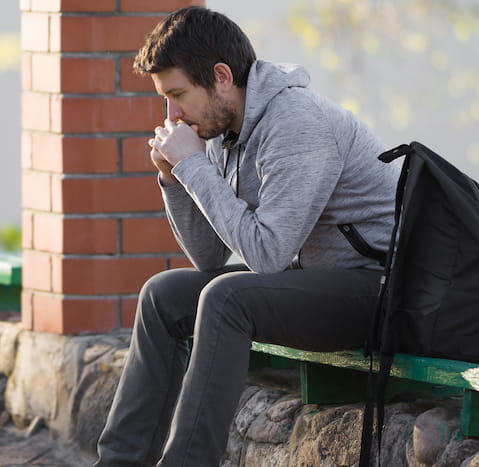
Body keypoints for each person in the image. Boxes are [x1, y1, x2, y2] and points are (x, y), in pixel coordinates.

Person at [94, 6, 403, 466]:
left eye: (178, 94)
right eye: (165, 99)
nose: (172, 114)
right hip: (310, 281)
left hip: (375, 290)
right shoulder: (222, 129)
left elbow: (268, 256)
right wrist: (176, 180)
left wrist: (194, 167)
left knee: (228, 298)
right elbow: (209, 256)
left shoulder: (296, 122)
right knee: (164, 293)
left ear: (221, 76)